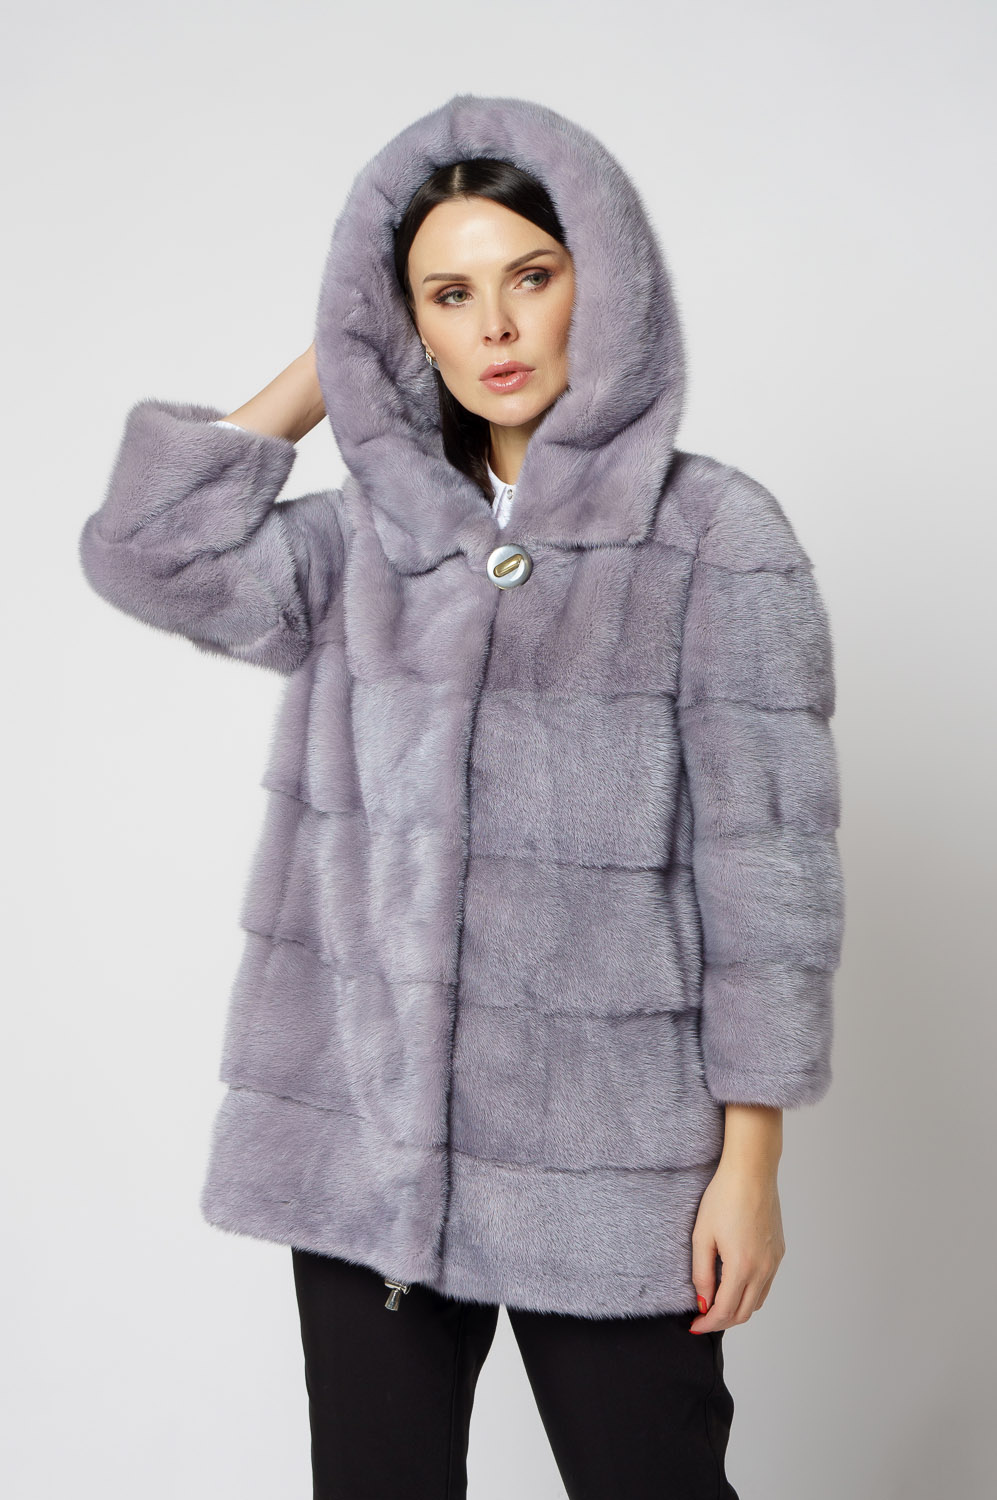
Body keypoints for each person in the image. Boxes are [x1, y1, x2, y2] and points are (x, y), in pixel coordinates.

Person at [78, 93, 844, 1499]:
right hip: (367, 1147)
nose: (495, 328)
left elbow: (769, 878)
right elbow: (147, 548)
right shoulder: (363, 545)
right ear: (407, 323)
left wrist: (750, 1162)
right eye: (447, 295)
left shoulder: (714, 539)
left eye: (530, 278)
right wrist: (339, 357)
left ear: (603, 286)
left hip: (607, 1158)